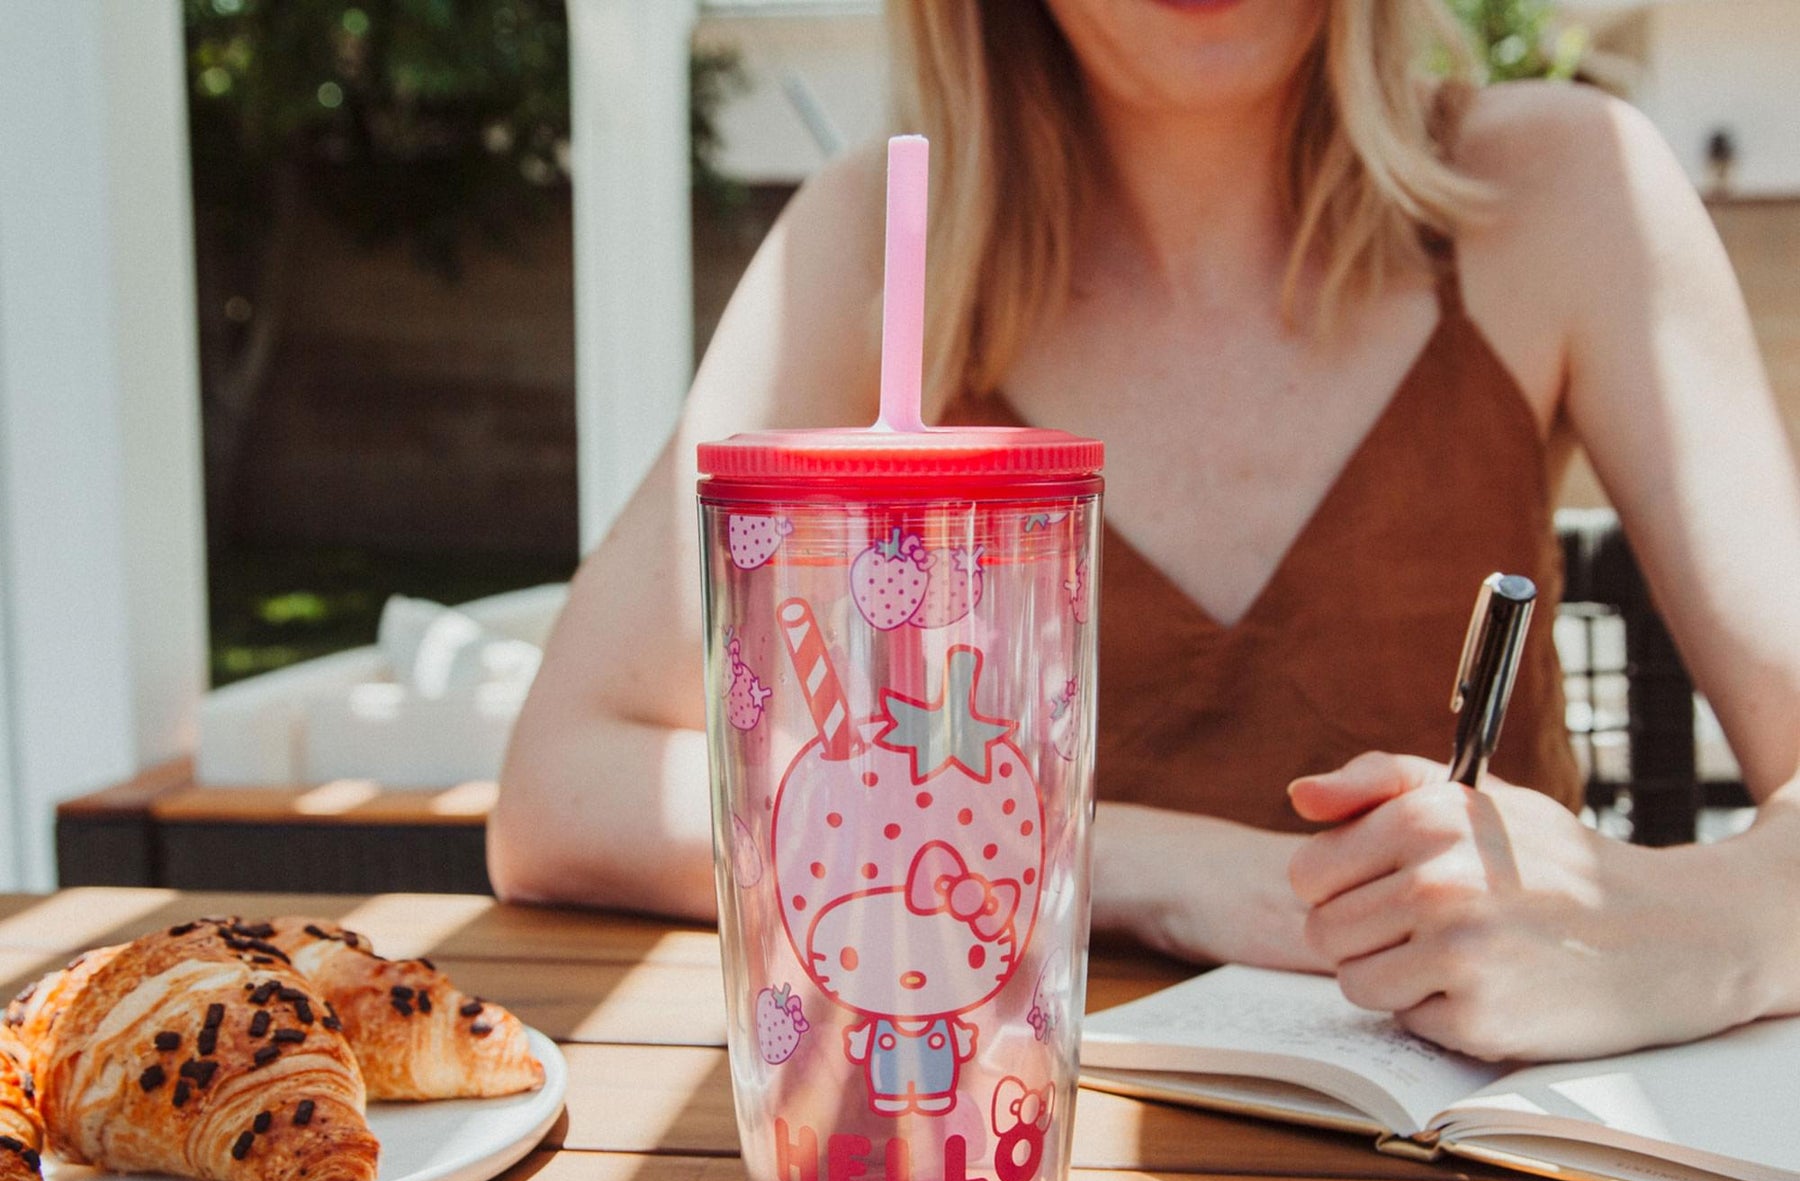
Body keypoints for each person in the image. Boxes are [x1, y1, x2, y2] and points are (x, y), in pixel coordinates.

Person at [490, 0, 1800, 1065]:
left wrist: (1686, 924)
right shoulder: (879, 247)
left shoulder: (1569, 193)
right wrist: (1149, 866)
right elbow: (564, 786)